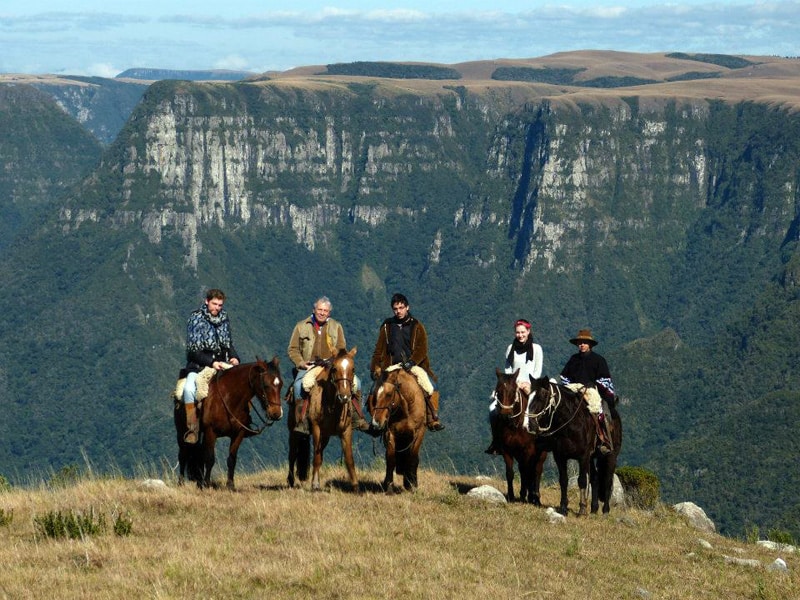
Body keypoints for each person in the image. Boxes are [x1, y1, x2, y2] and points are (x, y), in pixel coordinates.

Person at [287, 296, 375, 435]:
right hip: (309, 365)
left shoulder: (336, 326)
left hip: (331, 365)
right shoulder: (301, 326)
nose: (322, 313)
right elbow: (292, 349)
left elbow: (341, 348)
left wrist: (333, 361)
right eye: (320, 309)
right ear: (314, 310)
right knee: (299, 385)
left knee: (356, 383)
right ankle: (302, 422)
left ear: (329, 313)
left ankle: (357, 418)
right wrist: (302, 363)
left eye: (325, 311)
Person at [369, 293, 444, 431]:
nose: (399, 311)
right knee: (374, 389)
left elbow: (422, 348)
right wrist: (374, 368)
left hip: (412, 366)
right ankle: (374, 421)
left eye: (401, 307)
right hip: (391, 367)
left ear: (407, 307)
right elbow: (378, 350)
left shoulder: (416, 325)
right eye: (396, 308)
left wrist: (411, 362)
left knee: (431, 386)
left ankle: (432, 418)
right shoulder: (387, 326)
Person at [182, 288, 240, 444]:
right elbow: (193, 351)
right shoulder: (195, 319)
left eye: (220, 305)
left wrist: (234, 357)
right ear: (207, 301)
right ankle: (192, 428)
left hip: (222, 365)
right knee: (188, 390)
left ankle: (242, 421)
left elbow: (228, 344)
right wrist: (212, 363)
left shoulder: (224, 318)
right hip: (199, 366)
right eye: (214, 304)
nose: (217, 308)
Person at [485, 318, 543, 455]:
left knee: (540, 407)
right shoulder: (511, 348)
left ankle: (543, 438)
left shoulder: (537, 349)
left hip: (530, 384)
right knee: (492, 408)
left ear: (528, 331)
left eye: (523, 332)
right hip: (512, 384)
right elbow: (508, 370)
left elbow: (537, 370)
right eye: (518, 332)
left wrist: (529, 383)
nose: (520, 335)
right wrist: (513, 383)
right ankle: (496, 441)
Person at [560, 328, 615, 455]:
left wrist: (593, 385)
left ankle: (603, 439)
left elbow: (605, 380)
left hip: (592, 391)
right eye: (580, 342)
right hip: (574, 390)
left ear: (590, 344)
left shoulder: (599, 360)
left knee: (599, 412)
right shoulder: (573, 359)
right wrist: (572, 386)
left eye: (584, 342)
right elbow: (564, 376)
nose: (582, 345)